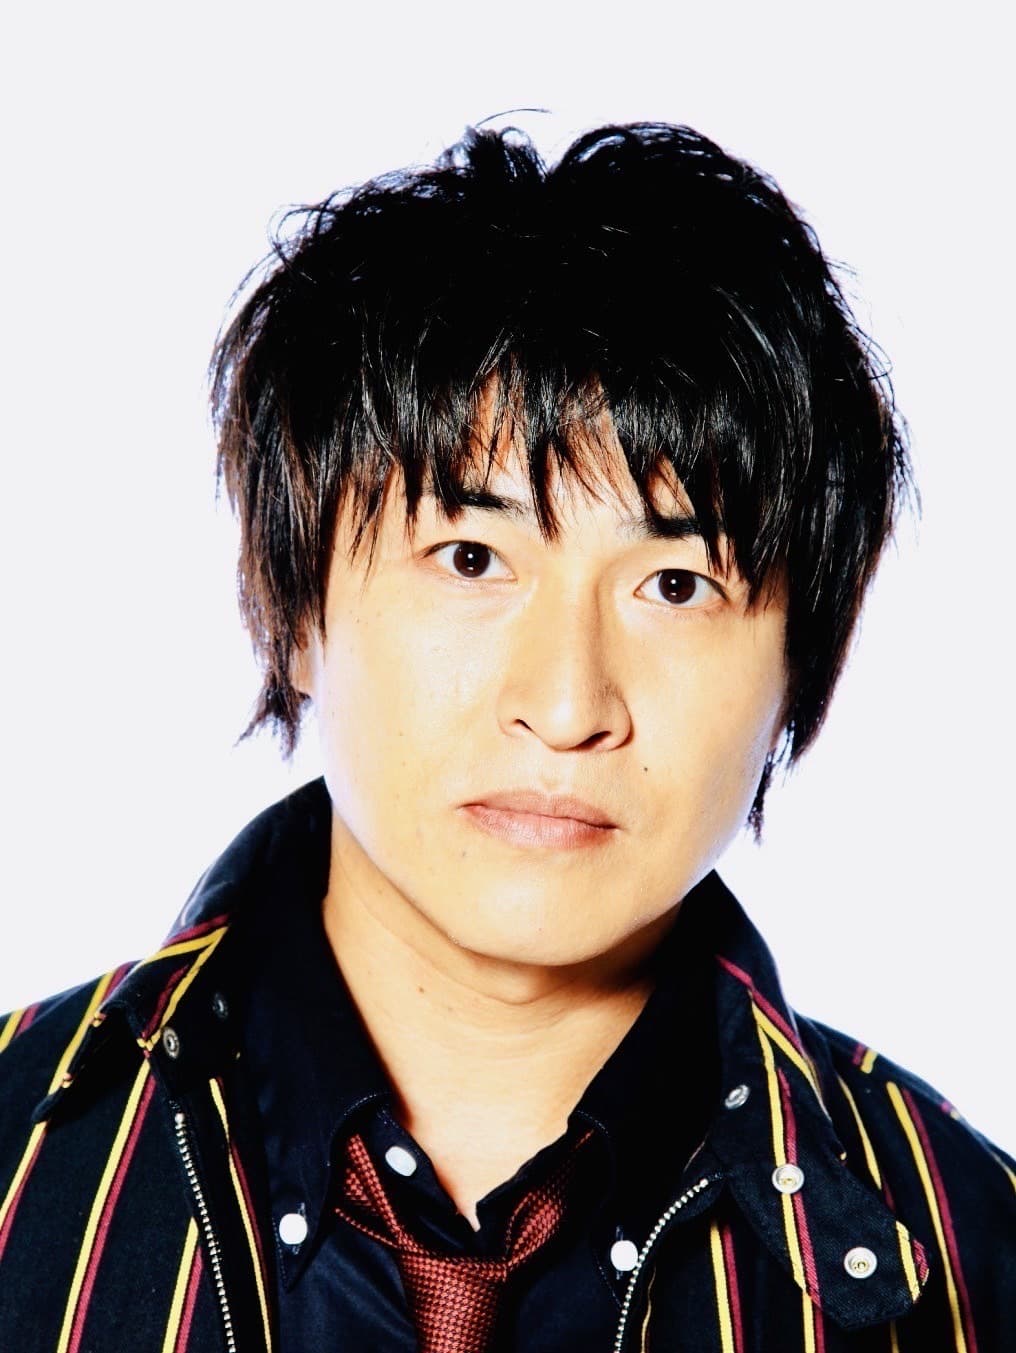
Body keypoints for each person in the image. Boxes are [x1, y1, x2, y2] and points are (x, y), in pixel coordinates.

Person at [0, 121, 1012, 1353]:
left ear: (800, 666)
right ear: (297, 608)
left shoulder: (966, 1250)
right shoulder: (20, 1159)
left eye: (675, 585)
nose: (567, 704)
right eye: (471, 558)